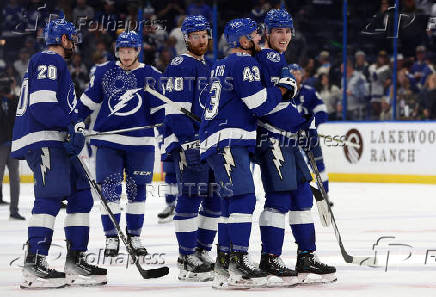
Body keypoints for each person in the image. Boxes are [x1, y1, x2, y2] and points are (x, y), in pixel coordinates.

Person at [11, 18, 106, 289]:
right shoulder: (49, 60)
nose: (74, 44)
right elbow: (42, 107)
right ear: (63, 39)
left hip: (56, 139)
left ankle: (75, 260)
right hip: (44, 140)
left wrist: (74, 125)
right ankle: (34, 263)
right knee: (50, 196)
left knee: (80, 195)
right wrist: (70, 125)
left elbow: (57, 107)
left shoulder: (54, 64)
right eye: (71, 38)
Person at [200, 17, 294, 288]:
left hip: (216, 139)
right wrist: (282, 88)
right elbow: (259, 103)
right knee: (243, 198)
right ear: (242, 40)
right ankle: (239, 262)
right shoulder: (245, 63)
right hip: (229, 138)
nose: (259, 39)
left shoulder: (219, 65)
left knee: (230, 203)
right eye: (254, 35)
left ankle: (224, 262)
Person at [254, 9, 336, 286]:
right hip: (272, 140)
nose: (284, 36)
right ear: (267, 32)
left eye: (288, 30)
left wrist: (300, 123)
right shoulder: (266, 58)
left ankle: (306, 256)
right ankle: (270, 257)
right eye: (278, 30)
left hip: (288, 139)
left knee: (302, 196)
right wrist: (299, 121)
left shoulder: (277, 58)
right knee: (279, 199)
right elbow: (265, 104)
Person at [76, 31, 164, 258]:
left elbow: (159, 112)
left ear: (137, 51)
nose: (126, 56)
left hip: (141, 142)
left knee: (137, 190)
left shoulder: (151, 74)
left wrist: (163, 124)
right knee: (110, 189)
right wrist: (73, 121)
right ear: (117, 52)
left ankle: (134, 235)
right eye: (122, 51)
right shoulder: (104, 71)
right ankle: (112, 237)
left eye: (130, 51)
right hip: (109, 140)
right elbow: (88, 101)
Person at [161, 15, 219, 282]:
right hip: (189, 142)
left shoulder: (207, 66)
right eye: (196, 36)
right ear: (186, 38)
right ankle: (186, 258)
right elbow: (175, 109)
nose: (202, 39)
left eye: (204, 34)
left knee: (214, 200)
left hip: (207, 142)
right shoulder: (180, 64)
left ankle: (202, 251)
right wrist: (188, 140)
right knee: (191, 197)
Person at [289, 64, 330, 196]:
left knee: (318, 163)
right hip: (289, 138)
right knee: (293, 166)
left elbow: (322, 111)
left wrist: (312, 125)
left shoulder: (310, 92)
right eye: (292, 72)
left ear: (302, 75)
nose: (295, 75)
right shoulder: (282, 92)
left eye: (298, 72)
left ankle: (324, 194)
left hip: (309, 135)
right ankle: (296, 195)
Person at [0, 75, 24, 220]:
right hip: (1, 145)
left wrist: (12, 94)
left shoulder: (15, 101)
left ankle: (14, 210)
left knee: (15, 178)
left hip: (13, 145)